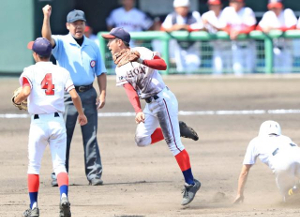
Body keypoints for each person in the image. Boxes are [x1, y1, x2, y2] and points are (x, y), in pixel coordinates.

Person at [102, 27, 200, 206]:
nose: (108, 44)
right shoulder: (119, 68)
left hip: (163, 100)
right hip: (149, 104)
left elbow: (163, 65)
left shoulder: (142, 51)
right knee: (141, 139)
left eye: (111, 40)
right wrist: (138, 110)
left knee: (174, 145)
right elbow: (130, 90)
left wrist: (140, 59)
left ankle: (191, 183)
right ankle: (175, 128)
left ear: (119, 42)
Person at [12, 37, 87, 217]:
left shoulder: (29, 71)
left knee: (34, 166)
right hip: (57, 122)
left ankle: (34, 207)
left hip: (38, 124)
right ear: (50, 53)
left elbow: (26, 92)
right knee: (60, 165)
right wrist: (81, 114)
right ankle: (63, 197)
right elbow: (74, 96)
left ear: (35, 55)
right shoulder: (61, 71)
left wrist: (16, 99)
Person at [41, 5, 107, 186]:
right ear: (68, 26)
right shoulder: (61, 42)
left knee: (91, 135)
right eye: (74, 23)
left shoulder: (92, 45)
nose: (78, 27)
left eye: (81, 23)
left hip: (88, 93)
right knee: (62, 136)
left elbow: (100, 72)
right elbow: (46, 39)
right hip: (66, 96)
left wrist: (102, 93)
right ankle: (59, 174)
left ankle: (94, 174)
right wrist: (46, 17)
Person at [234, 120, 300, 203]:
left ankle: (294, 191)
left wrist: (239, 193)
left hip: (281, 160)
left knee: (288, 198)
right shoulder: (285, 138)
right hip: (298, 153)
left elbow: (244, 172)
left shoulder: (255, 141)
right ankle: (297, 187)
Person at [161, 0, 203, 73]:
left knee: (193, 67)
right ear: (176, 8)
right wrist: (174, 28)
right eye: (180, 7)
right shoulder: (172, 16)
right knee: (180, 70)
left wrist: (187, 27)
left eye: (185, 7)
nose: (182, 9)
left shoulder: (194, 14)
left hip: (193, 47)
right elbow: (163, 28)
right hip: (178, 46)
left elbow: (201, 27)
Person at [257, 0, 297, 73]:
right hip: (274, 49)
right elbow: (258, 27)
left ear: (281, 6)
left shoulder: (287, 12)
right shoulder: (268, 15)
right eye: (273, 7)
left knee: (287, 73)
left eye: (276, 7)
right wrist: (265, 28)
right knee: (274, 74)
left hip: (287, 49)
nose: (274, 9)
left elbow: (293, 27)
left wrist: (274, 28)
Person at [220, 0, 256, 75]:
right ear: (230, 3)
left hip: (248, 46)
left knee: (250, 71)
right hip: (236, 46)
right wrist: (231, 31)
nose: (236, 4)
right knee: (237, 71)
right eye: (234, 2)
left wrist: (239, 32)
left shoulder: (247, 11)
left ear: (242, 3)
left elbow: (252, 27)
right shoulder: (227, 11)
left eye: (238, 2)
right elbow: (223, 26)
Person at [202, 0, 231, 75]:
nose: (213, 7)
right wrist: (205, 26)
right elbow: (203, 29)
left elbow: (226, 28)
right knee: (217, 71)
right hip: (215, 48)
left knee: (231, 71)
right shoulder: (206, 15)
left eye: (216, 5)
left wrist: (211, 24)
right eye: (211, 5)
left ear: (220, 5)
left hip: (230, 47)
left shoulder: (226, 13)